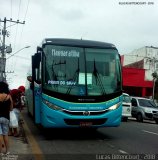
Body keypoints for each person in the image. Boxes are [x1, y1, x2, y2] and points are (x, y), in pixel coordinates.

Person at [0, 81, 13, 155]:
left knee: (0, 134)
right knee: (5, 134)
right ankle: (7, 151)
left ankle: (1, 152)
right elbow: (11, 109)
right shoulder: (9, 96)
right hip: (6, 118)